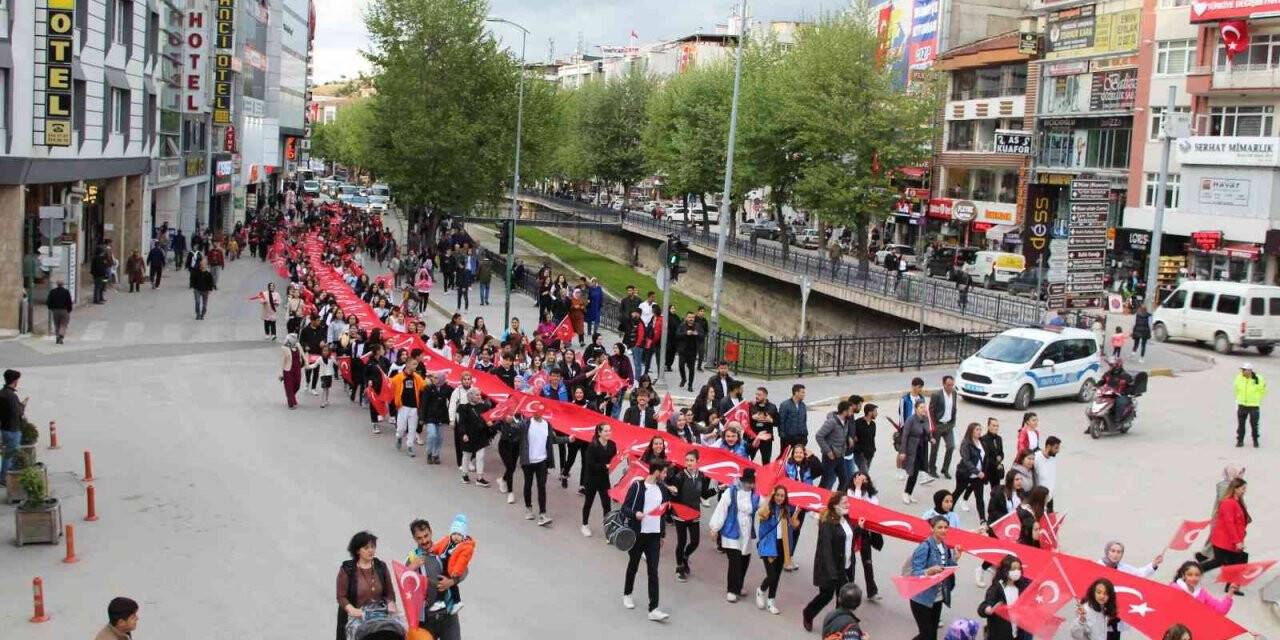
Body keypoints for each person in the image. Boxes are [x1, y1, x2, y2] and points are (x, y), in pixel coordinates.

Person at [621, 458, 673, 622]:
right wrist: (635, 514)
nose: (665, 475)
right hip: (639, 534)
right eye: (664, 472)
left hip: (654, 535)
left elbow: (662, 513)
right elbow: (624, 508)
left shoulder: (662, 490)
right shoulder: (637, 486)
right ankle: (627, 594)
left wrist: (662, 534)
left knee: (653, 571)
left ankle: (654, 608)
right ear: (656, 471)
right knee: (633, 565)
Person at [802, 494, 858, 632]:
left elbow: (848, 536)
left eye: (847, 502)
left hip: (845, 566)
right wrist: (832, 573)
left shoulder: (846, 518)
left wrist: (859, 528)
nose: (848, 505)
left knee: (843, 599)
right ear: (835, 505)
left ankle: (839, 625)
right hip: (830, 568)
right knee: (826, 596)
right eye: (844, 502)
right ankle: (808, 613)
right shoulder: (828, 523)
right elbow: (825, 549)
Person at [406, 519, 464, 640]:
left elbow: (464, 569)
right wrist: (411, 568)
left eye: (426, 535)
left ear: (431, 532)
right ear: (414, 539)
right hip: (425, 619)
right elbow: (404, 583)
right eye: (419, 538)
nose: (424, 540)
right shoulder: (412, 558)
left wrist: (451, 582)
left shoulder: (444, 550)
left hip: (448, 615)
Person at [336, 531, 399, 640]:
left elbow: (389, 593)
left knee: (397, 631)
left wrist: (391, 603)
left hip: (379, 616)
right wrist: (352, 610)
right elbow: (341, 597)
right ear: (357, 551)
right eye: (366, 548)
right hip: (356, 617)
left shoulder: (381, 566)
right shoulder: (347, 569)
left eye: (373, 547)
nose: (371, 550)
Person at [710, 467, 760, 603]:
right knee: (735, 561)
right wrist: (715, 528)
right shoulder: (731, 492)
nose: (751, 485)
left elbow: (764, 507)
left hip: (747, 531)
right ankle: (732, 589)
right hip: (732, 530)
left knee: (745, 559)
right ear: (742, 481)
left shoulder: (756, 495)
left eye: (752, 482)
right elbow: (722, 509)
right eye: (748, 482)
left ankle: (739, 585)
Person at [666, 449, 713, 581]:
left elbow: (704, 494)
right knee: (681, 542)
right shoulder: (680, 476)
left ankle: (685, 557)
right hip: (680, 514)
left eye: (691, 460)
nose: (689, 463)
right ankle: (679, 567)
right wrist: (673, 491)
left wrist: (717, 489)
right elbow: (673, 492)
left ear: (697, 462)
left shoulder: (701, 476)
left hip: (694, 513)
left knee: (695, 542)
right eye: (687, 460)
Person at [517, 403, 567, 526]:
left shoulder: (547, 425)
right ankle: (528, 508)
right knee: (528, 484)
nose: (537, 414)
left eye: (540, 412)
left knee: (542, 487)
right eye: (536, 412)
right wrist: (508, 421)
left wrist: (567, 439)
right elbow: (515, 429)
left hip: (542, 461)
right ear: (533, 412)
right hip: (528, 461)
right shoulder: (526, 424)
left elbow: (553, 439)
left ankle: (542, 514)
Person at [909, 516, 959, 640]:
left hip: (937, 598)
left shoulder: (945, 547)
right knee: (927, 635)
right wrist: (928, 571)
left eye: (946, 527)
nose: (943, 530)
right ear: (932, 529)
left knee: (932, 634)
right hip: (921, 599)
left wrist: (955, 559)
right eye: (940, 527)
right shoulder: (924, 547)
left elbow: (946, 570)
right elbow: (914, 573)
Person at [755, 484, 801, 614]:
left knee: (777, 575)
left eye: (782, 496)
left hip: (782, 546)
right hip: (768, 545)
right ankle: (761, 590)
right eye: (778, 495)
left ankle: (771, 601)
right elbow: (761, 513)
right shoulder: (768, 508)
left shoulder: (785, 510)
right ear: (774, 495)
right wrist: (769, 497)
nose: (780, 498)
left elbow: (793, 525)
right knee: (772, 575)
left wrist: (796, 514)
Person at [1200, 477, 1251, 577]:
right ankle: (1189, 572)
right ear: (1235, 489)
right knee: (1219, 562)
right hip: (1224, 541)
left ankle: (1232, 586)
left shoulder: (1238, 502)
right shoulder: (1228, 503)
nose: (1244, 491)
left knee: (1235, 562)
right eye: (1243, 488)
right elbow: (1229, 523)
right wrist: (1237, 542)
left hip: (1231, 541)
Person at [427, 514, 475, 614]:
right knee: (452, 586)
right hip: (444, 564)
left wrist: (456, 572)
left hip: (451, 569)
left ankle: (440, 601)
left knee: (443, 582)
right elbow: (438, 546)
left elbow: (462, 561)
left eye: (459, 535)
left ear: (463, 536)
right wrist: (432, 550)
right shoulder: (447, 540)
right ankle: (457, 602)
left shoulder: (465, 547)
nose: (456, 537)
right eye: (454, 534)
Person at [1196, 465, 1245, 564]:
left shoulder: (1228, 485)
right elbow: (1226, 501)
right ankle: (1205, 557)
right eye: (1237, 473)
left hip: (1222, 516)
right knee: (1216, 538)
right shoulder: (1225, 486)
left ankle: (1205, 555)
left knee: (1214, 537)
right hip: (1222, 516)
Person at [978, 555, 1031, 640]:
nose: (1017, 571)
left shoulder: (1021, 587)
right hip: (999, 635)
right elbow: (983, 607)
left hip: (1016, 635)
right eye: (1013, 569)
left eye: (1018, 569)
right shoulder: (997, 587)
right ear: (1006, 570)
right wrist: (988, 610)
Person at [581, 423, 617, 537]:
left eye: (609, 430)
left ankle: (608, 529)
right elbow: (590, 464)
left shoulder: (612, 444)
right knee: (588, 502)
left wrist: (620, 459)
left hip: (604, 479)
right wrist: (604, 466)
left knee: (607, 505)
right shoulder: (593, 446)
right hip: (591, 478)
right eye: (605, 431)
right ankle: (584, 525)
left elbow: (613, 459)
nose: (608, 433)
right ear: (599, 433)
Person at [456, 388, 493, 486]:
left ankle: (479, 478)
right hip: (468, 436)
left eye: (479, 395)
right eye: (477, 395)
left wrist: (489, 422)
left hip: (481, 436)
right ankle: (464, 475)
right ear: (471, 396)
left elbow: (489, 417)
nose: (479, 397)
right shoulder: (463, 408)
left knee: (480, 456)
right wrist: (463, 434)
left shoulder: (484, 407)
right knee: (466, 456)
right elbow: (461, 423)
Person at [901, 399, 935, 505]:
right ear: (916, 409)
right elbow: (905, 436)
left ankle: (909, 494)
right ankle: (906, 493)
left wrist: (931, 439)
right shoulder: (910, 420)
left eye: (924, 407)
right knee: (913, 473)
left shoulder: (925, 418)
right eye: (921, 407)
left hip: (922, 448)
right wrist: (903, 451)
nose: (923, 409)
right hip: (912, 449)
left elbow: (927, 432)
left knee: (916, 473)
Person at [817, 400, 855, 491]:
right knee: (826, 481)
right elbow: (819, 436)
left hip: (840, 455)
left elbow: (841, 435)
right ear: (844, 411)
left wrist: (848, 438)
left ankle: (837, 500)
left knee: (844, 480)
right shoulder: (831, 422)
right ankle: (819, 500)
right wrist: (828, 451)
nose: (851, 413)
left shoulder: (846, 422)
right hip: (830, 457)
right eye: (850, 411)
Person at [929, 375, 959, 479]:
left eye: (952, 385)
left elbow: (954, 408)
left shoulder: (954, 394)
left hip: (948, 425)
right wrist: (934, 425)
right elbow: (931, 410)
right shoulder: (936, 395)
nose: (950, 387)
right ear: (943, 385)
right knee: (934, 449)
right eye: (948, 385)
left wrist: (953, 422)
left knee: (951, 446)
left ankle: (945, 469)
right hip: (938, 425)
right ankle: (931, 469)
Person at [954, 422, 987, 516]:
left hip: (978, 476)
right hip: (965, 473)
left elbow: (985, 457)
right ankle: (948, 511)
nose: (979, 431)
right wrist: (977, 472)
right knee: (958, 492)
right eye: (977, 429)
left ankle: (982, 519)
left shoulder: (982, 442)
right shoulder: (966, 443)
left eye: (980, 429)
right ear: (971, 431)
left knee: (980, 498)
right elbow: (966, 460)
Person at [0, 370, 27, 479]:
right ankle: (5, 478)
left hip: (4, 429)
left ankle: (6, 476)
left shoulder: (1, 393)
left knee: (8, 454)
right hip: (13, 430)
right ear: (15, 381)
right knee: (10, 455)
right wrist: (23, 405)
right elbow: (18, 413)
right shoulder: (12, 396)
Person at [1233, 363, 1265, 448]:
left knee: (1254, 424)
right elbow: (1236, 388)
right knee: (1241, 424)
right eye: (1243, 369)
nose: (1243, 371)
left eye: (1245, 370)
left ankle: (1255, 440)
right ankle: (1240, 441)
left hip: (1253, 405)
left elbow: (1263, 390)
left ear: (1250, 371)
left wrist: (1257, 399)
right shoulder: (1239, 378)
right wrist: (1239, 399)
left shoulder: (1258, 379)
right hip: (1242, 404)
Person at [778, 383, 809, 452]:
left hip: (801, 437)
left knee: (799, 458)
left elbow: (804, 421)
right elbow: (781, 421)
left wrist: (805, 434)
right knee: (784, 457)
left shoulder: (803, 405)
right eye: (802, 392)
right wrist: (782, 436)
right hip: (788, 438)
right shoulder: (785, 405)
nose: (804, 394)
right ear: (796, 393)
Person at [1033, 436, 1060, 511]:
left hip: (1050, 498)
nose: (1058, 451)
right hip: (1039, 500)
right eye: (1056, 448)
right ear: (1048, 446)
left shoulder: (1053, 457)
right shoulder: (1036, 458)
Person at [279, 334, 305, 409]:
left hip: (297, 368)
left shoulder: (298, 345)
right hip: (288, 369)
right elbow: (282, 361)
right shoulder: (284, 348)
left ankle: (291, 396)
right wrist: (281, 374)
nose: (295, 340)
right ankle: (291, 403)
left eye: (296, 338)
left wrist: (307, 364)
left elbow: (303, 355)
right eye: (293, 339)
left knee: (297, 384)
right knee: (289, 386)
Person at [851, 403, 877, 475]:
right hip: (860, 453)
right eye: (875, 411)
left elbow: (872, 438)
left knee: (863, 474)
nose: (876, 413)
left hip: (870, 453)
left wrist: (873, 450)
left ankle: (857, 484)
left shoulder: (873, 424)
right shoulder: (857, 422)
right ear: (869, 412)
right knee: (865, 474)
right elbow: (851, 434)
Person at [46, 280, 73, 344]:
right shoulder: (66, 292)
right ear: (63, 284)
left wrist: (50, 308)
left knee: (56, 324)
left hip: (55, 310)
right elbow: (69, 302)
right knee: (64, 324)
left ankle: (57, 336)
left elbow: (48, 301)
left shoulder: (52, 291)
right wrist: (69, 310)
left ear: (56, 284)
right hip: (64, 310)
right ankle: (61, 336)